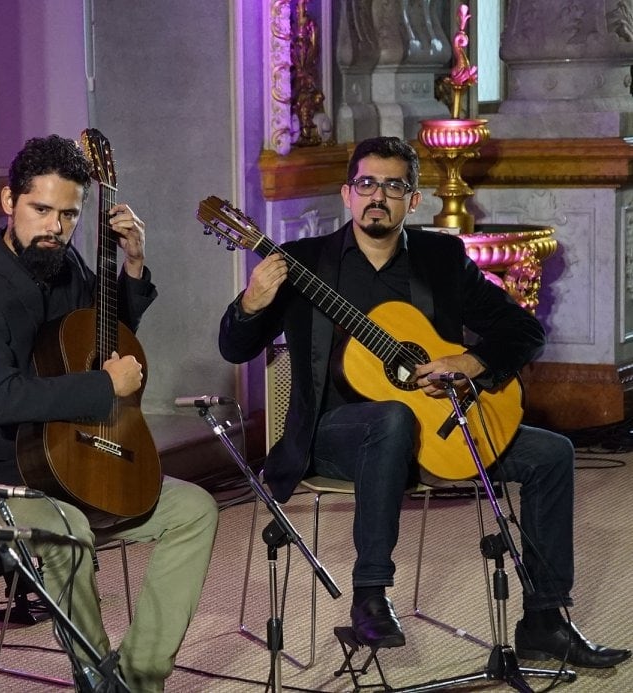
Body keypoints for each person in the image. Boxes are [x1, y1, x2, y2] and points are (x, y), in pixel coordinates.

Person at [219, 136, 631, 668]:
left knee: (552, 455)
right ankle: (371, 595)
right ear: (347, 193)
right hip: (332, 437)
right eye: (366, 183)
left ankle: (545, 622)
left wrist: (470, 364)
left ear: (413, 200)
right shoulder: (301, 264)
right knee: (390, 416)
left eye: (394, 186)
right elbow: (234, 347)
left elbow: (523, 331)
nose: (378, 196)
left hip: (435, 428)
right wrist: (251, 304)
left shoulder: (440, 258)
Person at [0, 134, 219, 692]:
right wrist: (100, 387)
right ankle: (94, 675)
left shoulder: (66, 268)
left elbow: (104, 337)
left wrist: (134, 265)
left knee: (195, 508)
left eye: (68, 215)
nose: (55, 228)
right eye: (41, 210)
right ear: (8, 202)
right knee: (68, 533)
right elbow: (2, 396)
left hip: (72, 464)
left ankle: (139, 674)